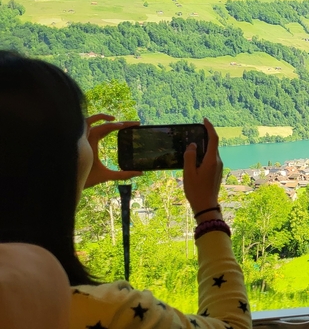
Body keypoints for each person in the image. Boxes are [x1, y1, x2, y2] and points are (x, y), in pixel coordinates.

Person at [0, 51, 251, 329]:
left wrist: (73, 180)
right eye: (79, 130)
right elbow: (233, 325)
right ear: (59, 159)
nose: (88, 131)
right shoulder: (112, 311)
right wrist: (208, 212)